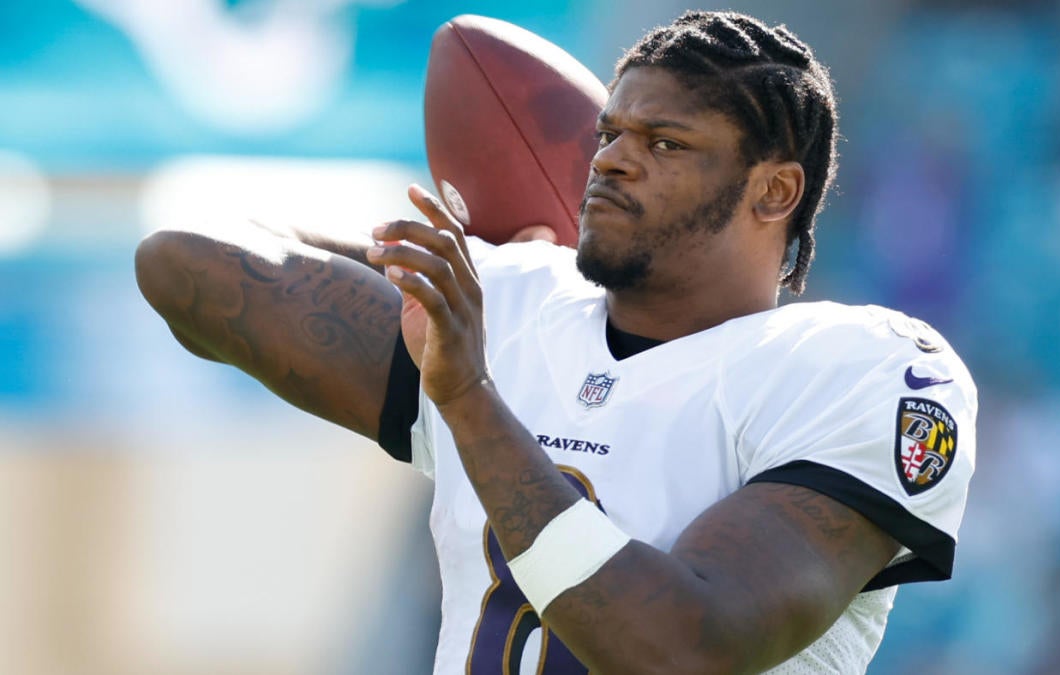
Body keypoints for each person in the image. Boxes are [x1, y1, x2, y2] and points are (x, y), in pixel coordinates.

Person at [135, 10, 976, 674]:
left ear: (774, 190)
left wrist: (468, 399)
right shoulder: (514, 305)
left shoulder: (860, 371)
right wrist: (446, 257)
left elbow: (683, 647)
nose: (611, 161)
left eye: (664, 143)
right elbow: (182, 262)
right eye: (609, 133)